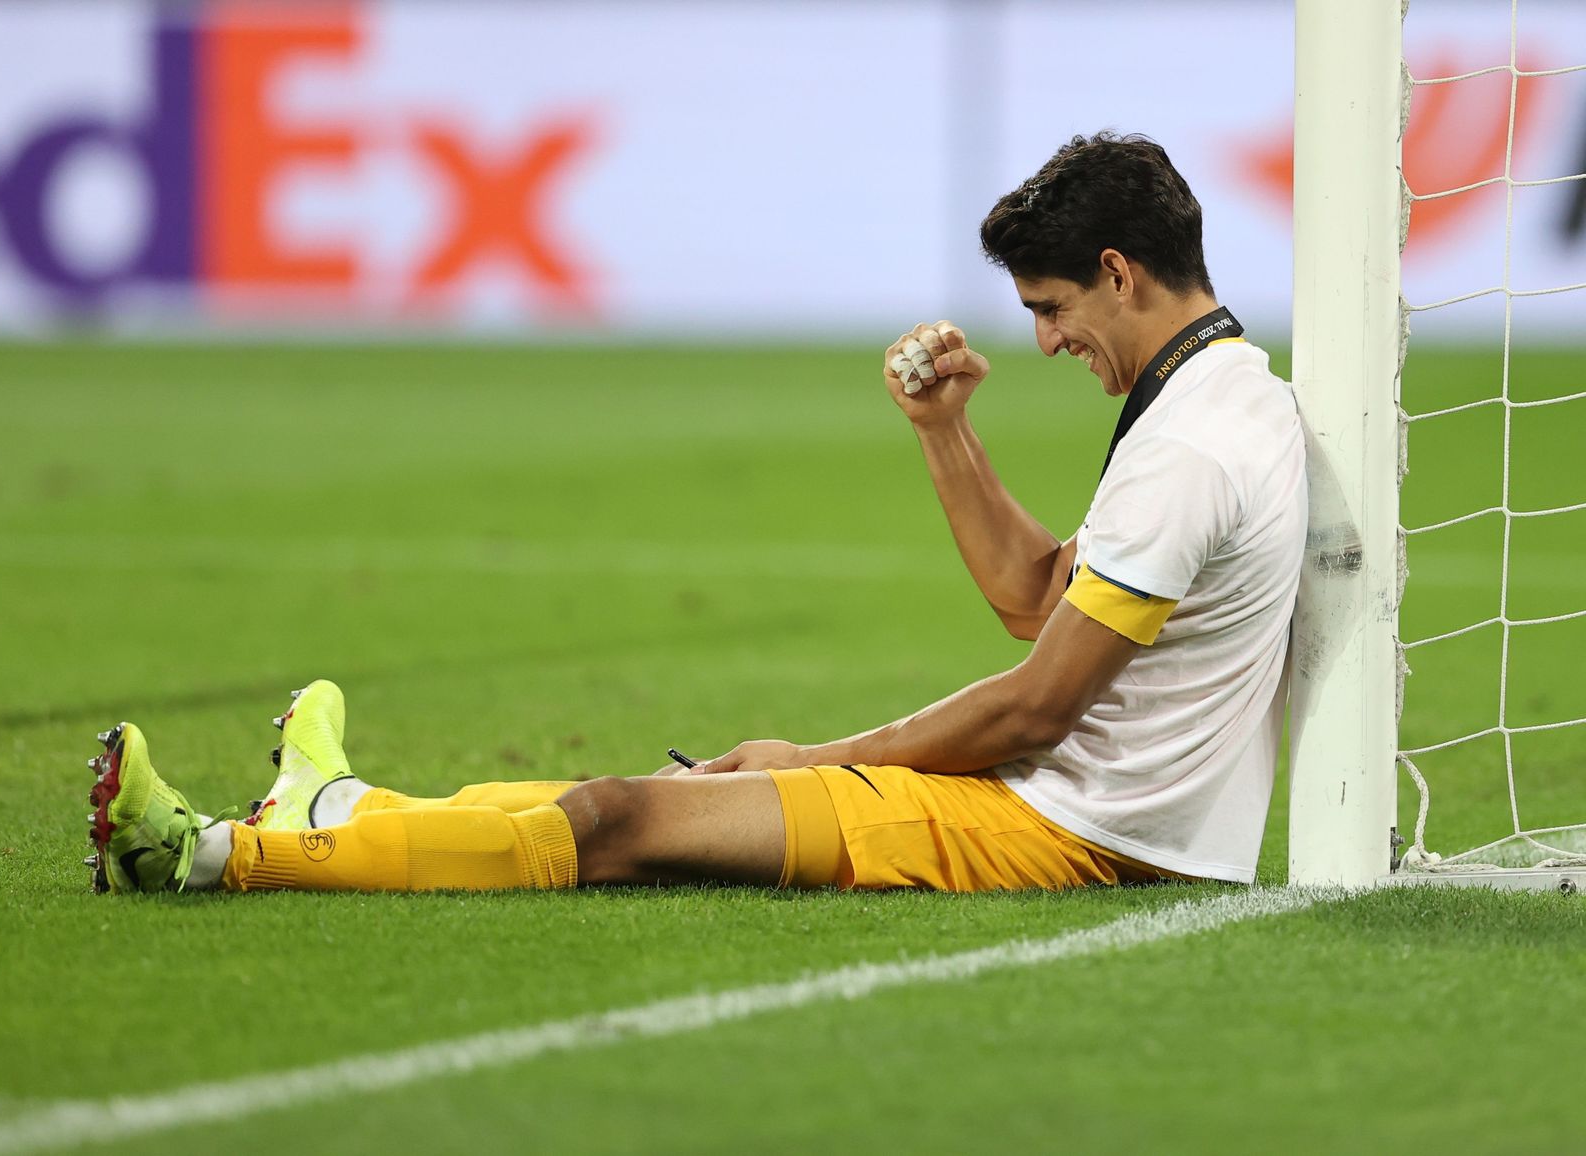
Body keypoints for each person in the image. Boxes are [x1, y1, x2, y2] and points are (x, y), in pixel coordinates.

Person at [83, 132, 1306, 897]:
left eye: (1050, 307)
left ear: (1118, 271)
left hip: (1063, 827)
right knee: (639, 794)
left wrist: (817, 757)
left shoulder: (1187, 449)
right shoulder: (1219, 398)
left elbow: (1038, 697)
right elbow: (1033, 602)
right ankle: (342, 811)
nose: (1043, 342)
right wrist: (945, 435)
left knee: (619, 822)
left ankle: (213, 854)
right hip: (1073, 804)